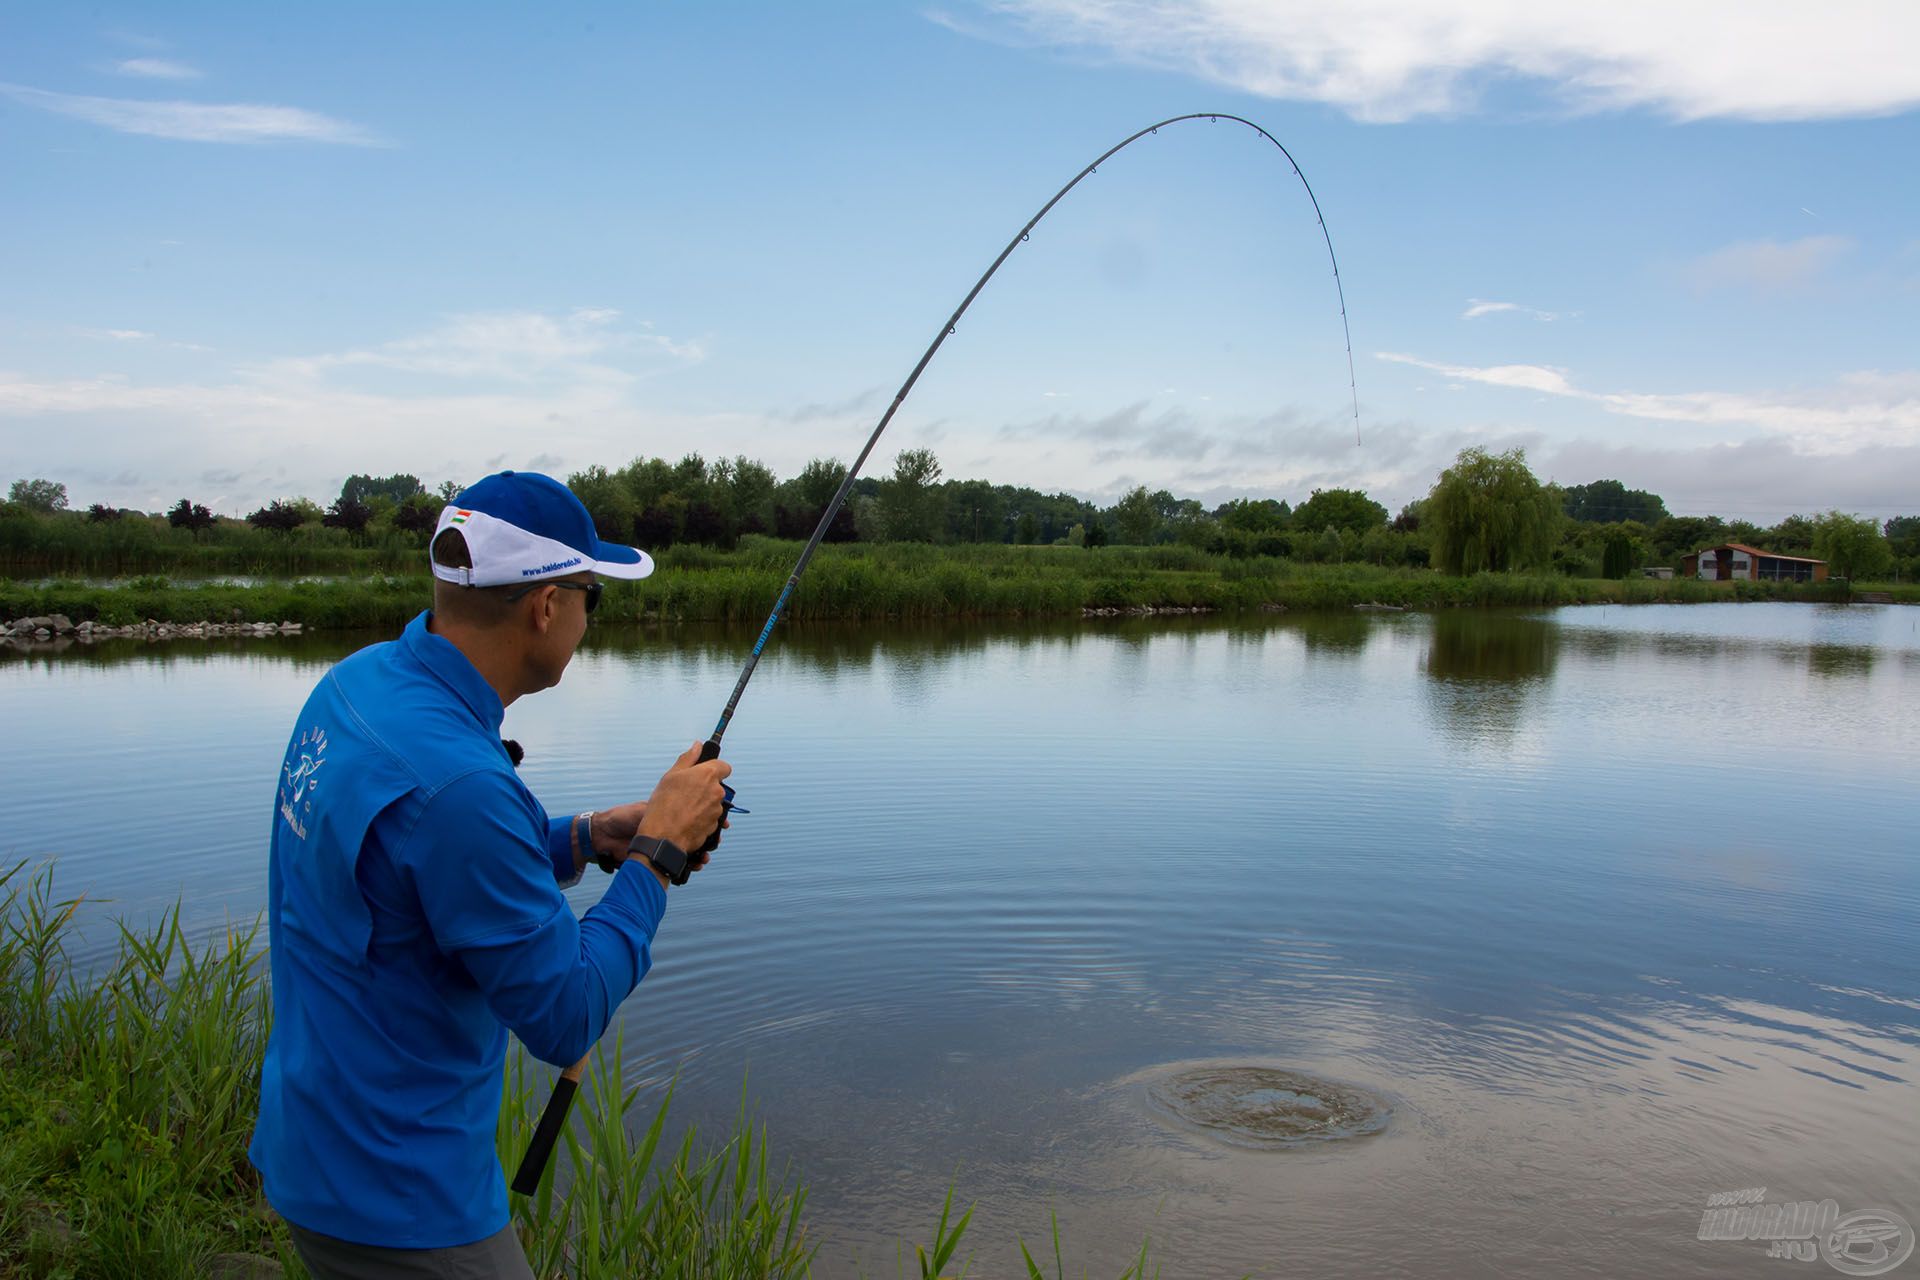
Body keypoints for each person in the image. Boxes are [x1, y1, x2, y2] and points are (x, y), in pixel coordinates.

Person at [249, 470, 731, 1279]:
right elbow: (566, 1014)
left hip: (315, 1147)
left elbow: (415, 867)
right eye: (591, 597)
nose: (586, 621)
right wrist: (658, 855)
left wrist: (588, 837)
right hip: (405, 1200)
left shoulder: (356, 686)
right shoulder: (464, 787)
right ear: (546, 605)